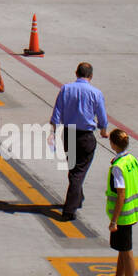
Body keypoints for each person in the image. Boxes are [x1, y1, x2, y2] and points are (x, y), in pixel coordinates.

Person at [49, 62, 110, 222]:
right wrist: (103, 130)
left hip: (69, 134)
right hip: (85, 136)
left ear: (76, 73)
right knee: (78, 172)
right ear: (90, 76)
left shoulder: (66, 89)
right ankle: (69, 209)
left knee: (74, 169)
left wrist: (54, 131)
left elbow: (57, 111)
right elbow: (102, 116)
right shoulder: (96, 93)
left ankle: (78, 197)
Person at [98, 128, 138, 276]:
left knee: (127, 252)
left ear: (113, 144)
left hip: (122, 215)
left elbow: (121, 195)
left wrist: (114, 220)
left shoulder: (118, 167)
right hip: (132, 211)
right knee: (122, 251)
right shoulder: (131, 160)